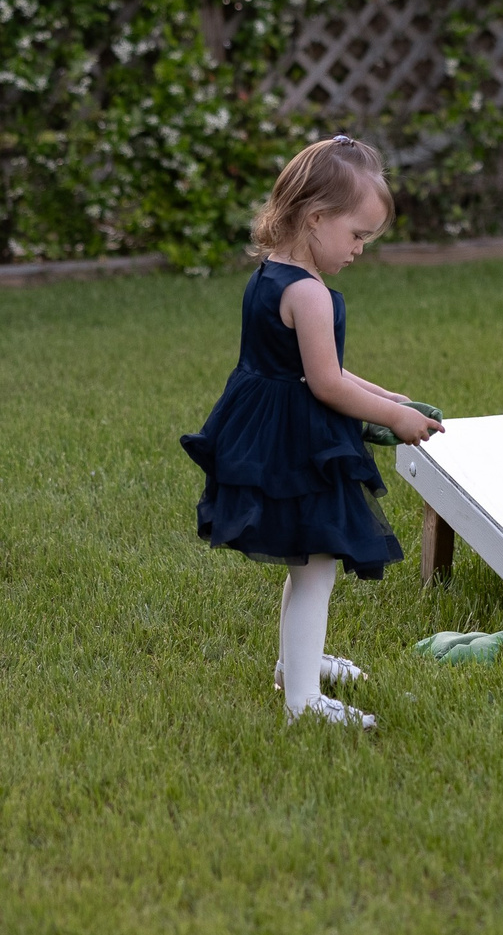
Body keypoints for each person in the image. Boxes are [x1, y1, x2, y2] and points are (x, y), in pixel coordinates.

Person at [181, 135, 441, 729]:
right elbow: (325, 383)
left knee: (308, 563)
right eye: (356, 235)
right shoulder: (310, 293)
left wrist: (382, 395)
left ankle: (294, 663)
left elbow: (321, 368)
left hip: (273, 428)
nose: (358, 251)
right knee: (318, 565)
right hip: (298, 442)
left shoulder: (273, 275)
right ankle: (302, 700)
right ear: (317, 218)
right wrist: (393, 418)